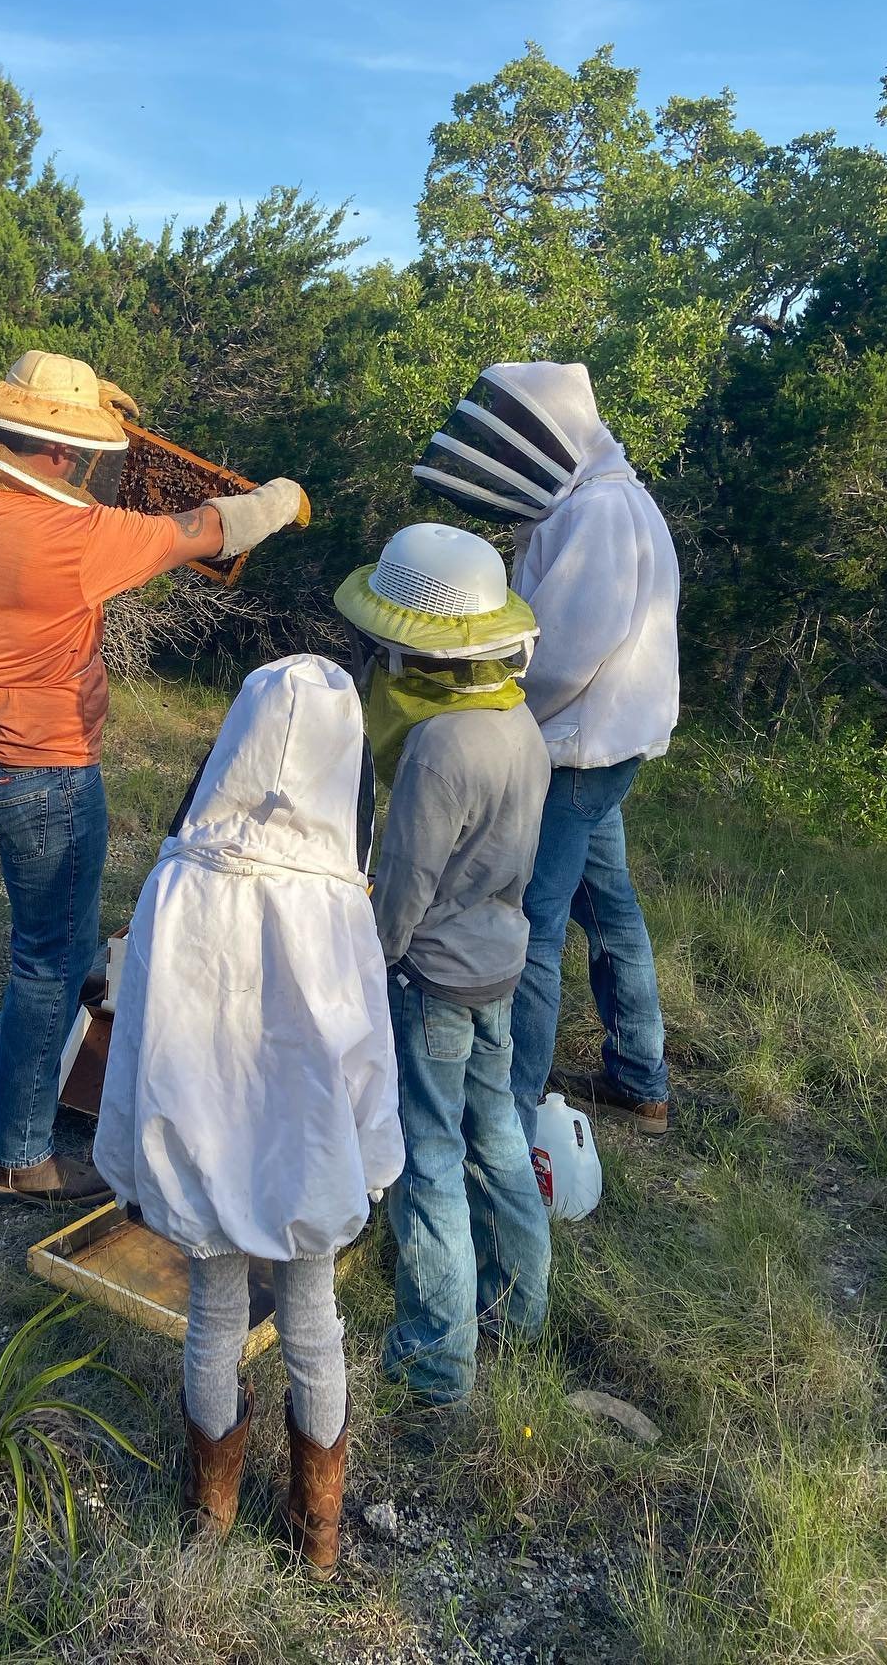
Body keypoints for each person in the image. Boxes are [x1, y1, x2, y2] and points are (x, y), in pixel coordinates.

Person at [0, 351, 305, 1208]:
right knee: (50, 960)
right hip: (39, 772)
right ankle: (16, 1158)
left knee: (50, 940)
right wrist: (281, 500)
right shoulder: (72, 543)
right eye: (73, 446)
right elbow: (208, 529)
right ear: (47, 450)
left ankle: (33, 1036)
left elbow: (5, 437)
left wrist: (77, 409)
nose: (81, 462)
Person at [93, 656, 403, 1578]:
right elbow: (365, 1048)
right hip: (305, 1155)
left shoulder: (179, 878)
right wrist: (374, 1152)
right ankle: (317, 1541)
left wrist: (133, 1147)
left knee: (214, 1315)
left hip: (201, 1136)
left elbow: (137, 1015)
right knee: (313, 1324)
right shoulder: (339, 903)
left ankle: (210, 1519)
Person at [412, 363, 680, 1141]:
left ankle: (507, 1113)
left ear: (555, 430)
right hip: (606, 745)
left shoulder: (600, 513)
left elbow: (564, 655)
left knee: (530, 925)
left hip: (575, 751)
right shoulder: (612, 501)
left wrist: (493, 713)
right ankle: (640, 1077)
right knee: (611, 907)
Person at [334, 523, 551, 1406]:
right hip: (502, 964)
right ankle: (522, 1311)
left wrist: (369, 963)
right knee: (499, 1139)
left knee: (430, 1162)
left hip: (435, 985)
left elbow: (407, 884)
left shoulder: (438, 749)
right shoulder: (519, 724)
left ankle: (438, 1363)